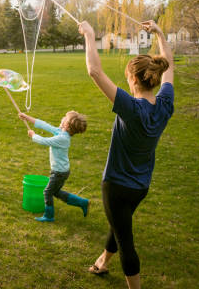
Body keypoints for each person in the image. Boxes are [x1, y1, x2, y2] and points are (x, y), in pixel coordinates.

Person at [79, 20, 174, 289]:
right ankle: (103, 262)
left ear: (133, 79)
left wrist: (89, 34)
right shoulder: (165, 104)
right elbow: (169, 62)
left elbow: (95, 72)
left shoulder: (132, 108)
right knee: (120, 226)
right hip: (140, 186)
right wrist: (159, 34)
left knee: (126, 242)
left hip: (117, 186)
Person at [18, 111, 89, 222]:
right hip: (61, 171)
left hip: (59, 172)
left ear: (66, 125)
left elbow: (45, 141)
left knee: (47, 192)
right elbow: (44, 125)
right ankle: (82, 202)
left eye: (65, 118)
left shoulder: (63, 139)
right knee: (55, 192)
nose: (62, 118)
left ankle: (49, 216)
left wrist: (33, 136)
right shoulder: (60, 132)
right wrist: (27, 118)